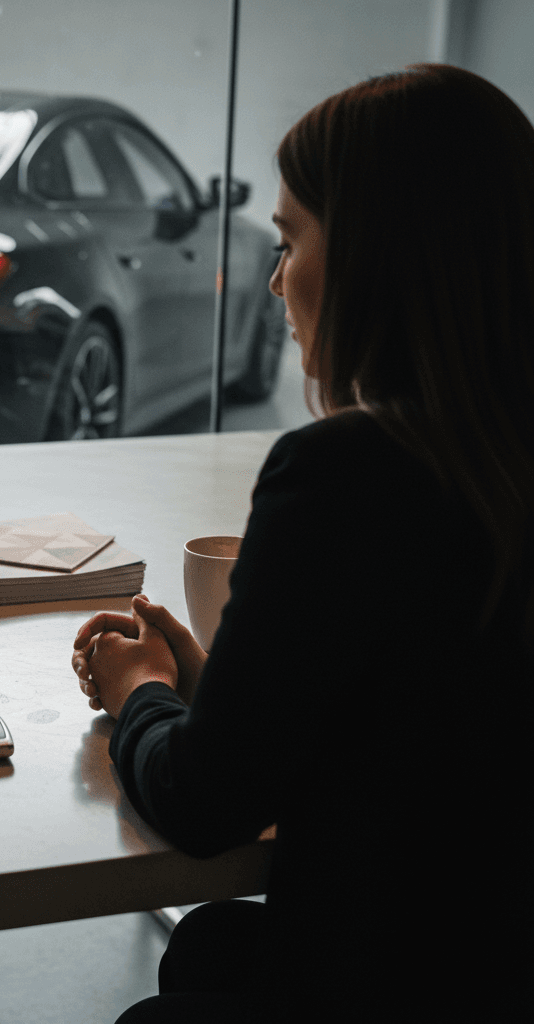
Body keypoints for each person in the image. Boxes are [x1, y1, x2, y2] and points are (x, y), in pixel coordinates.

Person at [71, 63, 533, 1023]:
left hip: (396, 976)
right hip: (488, 956)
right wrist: (223, 687)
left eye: (290, 240)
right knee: (212, 947)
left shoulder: (346, 473)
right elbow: (431, 722)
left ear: (376, 255)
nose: (276, 278)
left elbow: (204, 810)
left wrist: (138, 692)